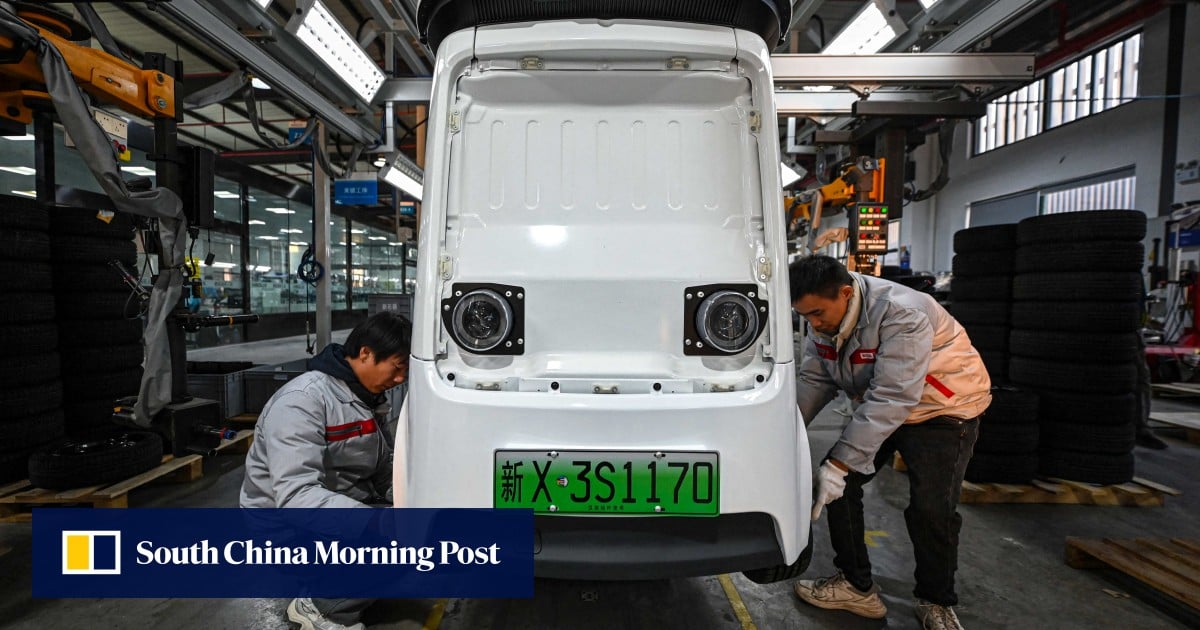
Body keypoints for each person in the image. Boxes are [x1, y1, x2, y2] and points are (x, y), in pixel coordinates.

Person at [789, 256, 991, 630]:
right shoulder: (824, 321)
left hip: (942, 408)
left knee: (931, 509)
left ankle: (936, 600)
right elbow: (815, 381)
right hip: (882, 403)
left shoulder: (902, 313)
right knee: (836, 488)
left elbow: (895, 395)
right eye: (805, 316)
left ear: (845, 293)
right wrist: (785, 436)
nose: (813, 324)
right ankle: (856, 586)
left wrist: (841, 463)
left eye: (817, 313)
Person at [240, 311, 412, 630]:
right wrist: (378, 523)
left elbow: (383, 468)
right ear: (365, 354)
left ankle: (347, 578)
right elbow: (295, 497)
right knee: (402, 546)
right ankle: (319, 609)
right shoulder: (302, 401)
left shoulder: (368, 398)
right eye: (397, 367)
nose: (401, 379)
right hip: (285, 528)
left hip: (338, 507)